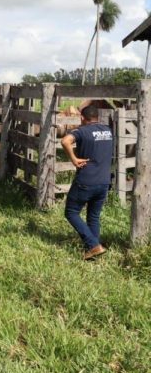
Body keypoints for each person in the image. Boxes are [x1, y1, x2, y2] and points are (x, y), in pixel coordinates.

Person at [61, 104, 114, 260]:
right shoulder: (108, 131)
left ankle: (93, 245)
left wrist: (74, 159)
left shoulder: (82, 131)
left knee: (71, 212)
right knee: (94, 216)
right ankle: (94, 250)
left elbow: (65, 141)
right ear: (97, 117)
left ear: (82, 118)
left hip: (86, 180)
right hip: (104, 181)